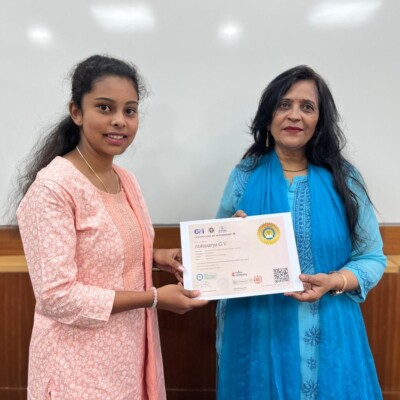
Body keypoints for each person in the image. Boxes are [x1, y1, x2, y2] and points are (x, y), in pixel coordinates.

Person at [15, 54, 208, 400]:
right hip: (75, 368)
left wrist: (155, 256)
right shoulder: (54, 188)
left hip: (127, 357)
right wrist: (154, 298)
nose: (119, 121)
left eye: (129, 111)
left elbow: (103, 250)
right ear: (76, 112)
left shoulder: (125, 179)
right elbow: (57, 296)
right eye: (105, 108)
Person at [215, 65, 386, 399]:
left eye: (307, 106)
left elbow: (372, 258)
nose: (294, 115)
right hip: (259, 334)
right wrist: (232, 238)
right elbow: (219, 259)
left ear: (319, 120)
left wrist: (334, 281)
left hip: (330, 335)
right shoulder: (244, 176)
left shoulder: (345, 180)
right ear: (269, 116)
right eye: (284, 104)